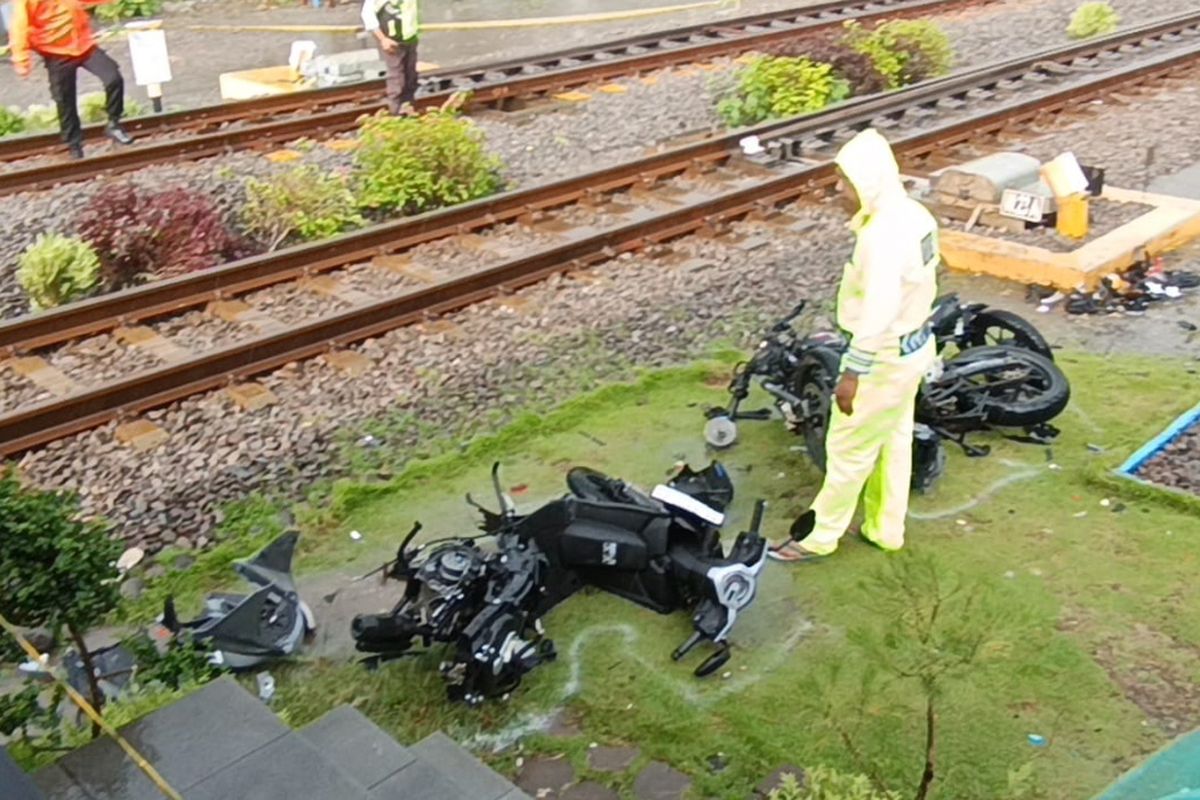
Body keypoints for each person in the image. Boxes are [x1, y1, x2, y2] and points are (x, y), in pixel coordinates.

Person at [771, 128, 939, 562]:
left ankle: (818, 537)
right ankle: (886, 529)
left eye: (845, 181)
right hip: (914, 350)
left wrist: (852, 374)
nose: (839, 190)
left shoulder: (881, 238)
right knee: (893, 442)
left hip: (882, 360)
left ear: (869, 183)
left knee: (848, 450)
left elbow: (878, 312)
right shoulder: (915, 215)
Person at [9, 0, 134, 159]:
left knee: (113, 78)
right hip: (55, 52)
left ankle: (114, 123)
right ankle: (74, 145)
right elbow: (19, 27)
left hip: (84, 46)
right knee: (65, 99)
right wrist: (21, 60)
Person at [361, 0, 419, 115]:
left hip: (410, 39)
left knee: (410, 79)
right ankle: (396, 114)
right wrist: (383, 39)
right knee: (397, 81)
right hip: (392, 42)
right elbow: (367, 14)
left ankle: (408, 112)